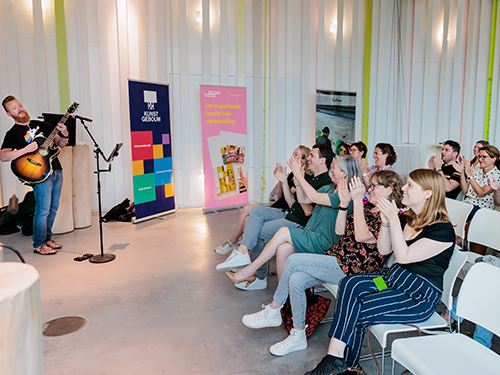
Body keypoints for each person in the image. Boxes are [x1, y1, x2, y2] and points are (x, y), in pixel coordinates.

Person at [305, 169, 455, 375]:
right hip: (392, 280)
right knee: (350, 283)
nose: (403, 188)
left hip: (415, 295)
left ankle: (343, 364)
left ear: (428, 194)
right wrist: (386, 222)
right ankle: (337, 359)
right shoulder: (408, 218)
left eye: (410, 185)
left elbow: (403, 256)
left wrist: (393, 219)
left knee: (357, 309)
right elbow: (385, 249)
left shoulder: (442, 230)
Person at [240, 170, 404, 357]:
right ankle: (298, 334)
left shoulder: (391, 217)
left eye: (375, 186)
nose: (370, 189)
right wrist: (343, 205)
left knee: (293, 260)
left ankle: (274, 309)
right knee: (296, 279)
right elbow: (340, 230)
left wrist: (357, 201)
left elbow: (361, 235)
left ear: (390, 190)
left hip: (355, 269)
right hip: (338, 259)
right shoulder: (368, 208)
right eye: (371, 185)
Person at [225, 155, 360, 286]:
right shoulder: (330, 188)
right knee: (283, 249)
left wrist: (299, 175)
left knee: (283, 231)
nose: (331, 170)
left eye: (334, 168)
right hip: (311, 234)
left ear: (343, 173)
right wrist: (297, 180)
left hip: (323, 241)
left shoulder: (346, 195)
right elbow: (304, 200)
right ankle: (284, 298)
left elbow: (314, 197)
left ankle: (249, 270)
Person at [216, 144, 334, 291]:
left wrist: (298, 178)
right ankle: (242, 252)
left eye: (312, 156)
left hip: (299, 223)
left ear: (322, 161)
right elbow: (292, 204)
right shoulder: (310, 177)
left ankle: (258, 276)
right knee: (256, 210)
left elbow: (308, 211)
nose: (308, 158)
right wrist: (284, 180)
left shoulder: (326, 183)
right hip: (290, 214)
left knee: (256, 231)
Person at [1, 95, 69, 255]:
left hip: (56, 169)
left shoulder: (42, 125)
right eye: (14, 108)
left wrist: (64, 133)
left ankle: (47, 239)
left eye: (20, 105)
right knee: (43, 209)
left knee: (53, 208)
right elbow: (3, 156)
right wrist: (25, 150)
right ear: (9, 114)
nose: (20, 109)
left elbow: (61, 144)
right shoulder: (12, 133)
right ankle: (38, 244)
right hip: (39, 173)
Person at [214, 146, 311, 256]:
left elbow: (291, 201)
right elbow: (279, 196)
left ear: (303, 160)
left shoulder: (302, 178)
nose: (291, 157)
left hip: (285, 211)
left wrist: (287, 181)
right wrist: (281, 181)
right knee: (247, 212)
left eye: (295, 155)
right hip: (278, 206)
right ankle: (240, 249)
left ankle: (238, 247)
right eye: (293, 153)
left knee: (247, 219)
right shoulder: (292, 175)